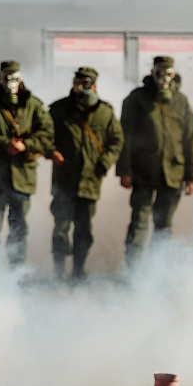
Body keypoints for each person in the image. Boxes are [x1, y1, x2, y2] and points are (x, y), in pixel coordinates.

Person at [116, 55, 193, 266]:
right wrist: (124, 170)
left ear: (173, 74)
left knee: (164, 225)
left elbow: (190, 139)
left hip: (172, 172)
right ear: (152, 73)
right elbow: (124, 136)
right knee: (139, 223)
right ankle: (133, 271)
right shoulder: (136, 99)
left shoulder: (181, 101)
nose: (163, 77)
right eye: (159, 72)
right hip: (142, 172)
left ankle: (156, 272)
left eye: (168, 73)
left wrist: (192, 176)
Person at [0, 60, 54, 269]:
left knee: (19, 227)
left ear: (21, 79)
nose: (11, 82)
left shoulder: (33, 104)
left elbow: (46, 134)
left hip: (22, 176)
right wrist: (3, 144)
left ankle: (16, 272)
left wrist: (25, 145)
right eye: (6, 77)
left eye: (14, 77)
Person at [47, 67, 123, 281]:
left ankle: (78, 271)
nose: (81, 86)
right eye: (78, 81)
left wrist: (103, 164)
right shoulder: (59, 109)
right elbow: (44, 135)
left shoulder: (105, 113)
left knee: (84, 230)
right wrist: (51, 152)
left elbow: (117, 141)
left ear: (95, 86)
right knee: (61, 228)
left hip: (90, 181)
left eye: (86, 82)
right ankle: (58, 272)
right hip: (64, 180)